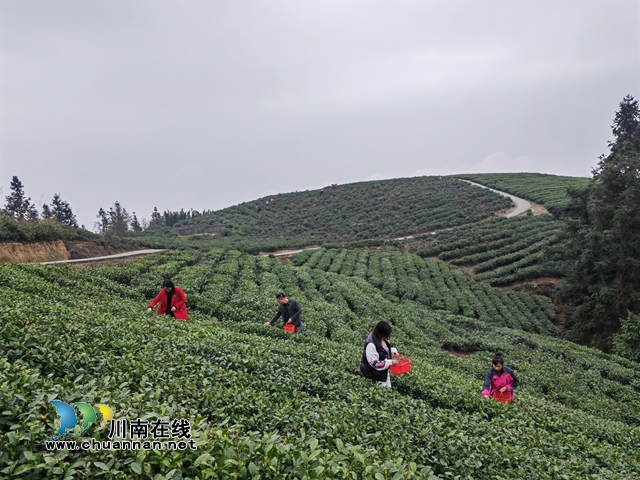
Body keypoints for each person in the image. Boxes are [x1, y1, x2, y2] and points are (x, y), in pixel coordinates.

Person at [358, 321, 400, 388]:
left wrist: (393, 351)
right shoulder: (371, 344)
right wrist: (390, 362)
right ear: (381, 333)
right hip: (372, 376)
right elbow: (375, 364)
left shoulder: (380, 338)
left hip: (382, 375)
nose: (387, 337)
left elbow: (383, 349)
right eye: (385, 335)